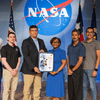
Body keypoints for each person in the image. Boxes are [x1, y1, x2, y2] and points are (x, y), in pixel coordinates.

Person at [21, 25, 47, 100]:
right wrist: (33, 67)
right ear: (29, 32)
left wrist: (44, 51)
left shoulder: (41, 41)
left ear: (37, 31)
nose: (34, 32)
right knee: (27, 90)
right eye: (32, 30)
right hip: (29, 69)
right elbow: (26, 56)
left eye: (36, 30)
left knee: (38, 88)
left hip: (39, 69)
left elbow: (46, 52)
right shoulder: (25, 42)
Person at [1, 32, 21, 100]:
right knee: (6, 90)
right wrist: (11, 70)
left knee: (14, 89)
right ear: (7, 38)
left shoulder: (17, 48)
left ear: (15, 38)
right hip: (7, 71)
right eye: (11, 37)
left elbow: (19, 59)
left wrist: (16, 69)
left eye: (13, 37)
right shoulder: (4, 48)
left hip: (16, 71)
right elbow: (3, 61)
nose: (12, 38)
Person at [81, 27, 100, 100]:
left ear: (93, 33)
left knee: (92, 87)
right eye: (88, 32)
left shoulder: (96, 43)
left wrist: (95, 69)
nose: (89, 33)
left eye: (91, 32)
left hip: (92, 69)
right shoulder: (82, 43)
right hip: (83, 69)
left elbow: (99, 57)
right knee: (84, 86)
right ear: (85, 33)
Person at [67, 29, 86, 100]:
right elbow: (68, 58)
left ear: (78, 36)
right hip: (70, 69)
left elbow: (80, 61)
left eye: (76, 35)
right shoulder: (69, 46)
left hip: (77, 70)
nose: (74, 36)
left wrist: (72, 70)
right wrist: (68, 69)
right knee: (70, 90)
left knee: (77, 90)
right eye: (73, 35)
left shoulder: (81, 47)